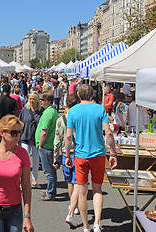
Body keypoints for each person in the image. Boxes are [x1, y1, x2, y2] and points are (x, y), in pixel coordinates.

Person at [65, 84, 118, 232]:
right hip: (98, 154)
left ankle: (86, 226)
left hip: (80, 155)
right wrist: (113, 153)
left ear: (79, 95)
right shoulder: (99, 108)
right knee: (97, 190)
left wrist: (67, 155)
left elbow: (68, 136)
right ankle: (97, 223)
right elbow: (108, 133)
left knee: (82, 192)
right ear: (92, 95)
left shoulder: (73, 111)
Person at [0, 115, 34, 232]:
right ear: (2, 132)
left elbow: (26, 185)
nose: (18, 136)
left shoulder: (22, 153)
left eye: (19, 132)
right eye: (14, 133)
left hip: (15, 211)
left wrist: (27, 216)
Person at [53, 94, 80, 227]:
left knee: (70, 181)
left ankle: (73, 204)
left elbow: (57, 140)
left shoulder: (61, 120)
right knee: (77, 181)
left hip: (65, 154)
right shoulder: (80, 119)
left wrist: (55, 158)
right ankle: (74, 207)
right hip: (79, 153)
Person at [35, 93, 59, 201]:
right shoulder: (51, 111)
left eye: (42, 100)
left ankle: (50, 193)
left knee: (48, 171)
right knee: (51, 170)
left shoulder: (48, 113)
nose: (40, 101)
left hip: (46, 145)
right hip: (49, 145)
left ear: (48, 101)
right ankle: (51, 189)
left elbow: (44, 131)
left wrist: (40, 144)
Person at [19, 92, 43, 188]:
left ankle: (35, 180)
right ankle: (23, 180)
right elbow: (20, 122)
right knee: (24, 161)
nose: (32, 101)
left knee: (36, 161)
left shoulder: (41, 111)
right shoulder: (25, 110)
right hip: (25, 137)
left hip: (36, 139)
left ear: (37, 100)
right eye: (30, 99)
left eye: (33, 99)